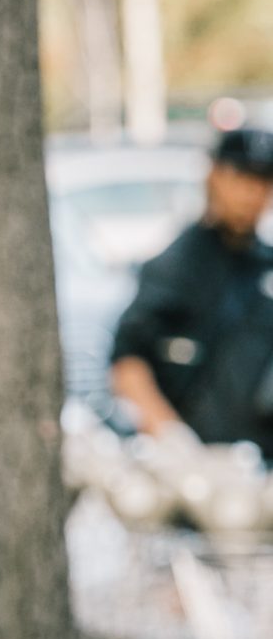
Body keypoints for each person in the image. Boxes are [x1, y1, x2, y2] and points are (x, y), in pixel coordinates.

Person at [110, 124, 273, 452]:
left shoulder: (266, 265)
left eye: (263, 181)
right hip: (195, 474)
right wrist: (172, 440)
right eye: (239, 177)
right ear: (212, 175)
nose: (250, 193)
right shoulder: (175, 266)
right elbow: (127, 362)